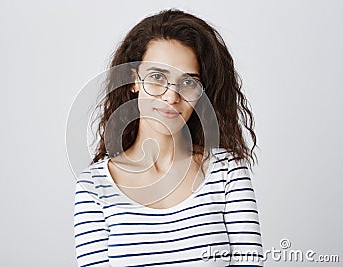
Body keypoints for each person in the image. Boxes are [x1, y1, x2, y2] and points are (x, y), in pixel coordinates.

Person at [74, 9, 263, 266]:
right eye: (157, 77)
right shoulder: (94, 187)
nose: (171, 97)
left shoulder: (227, 172)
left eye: (188, 82)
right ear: (133, 80)